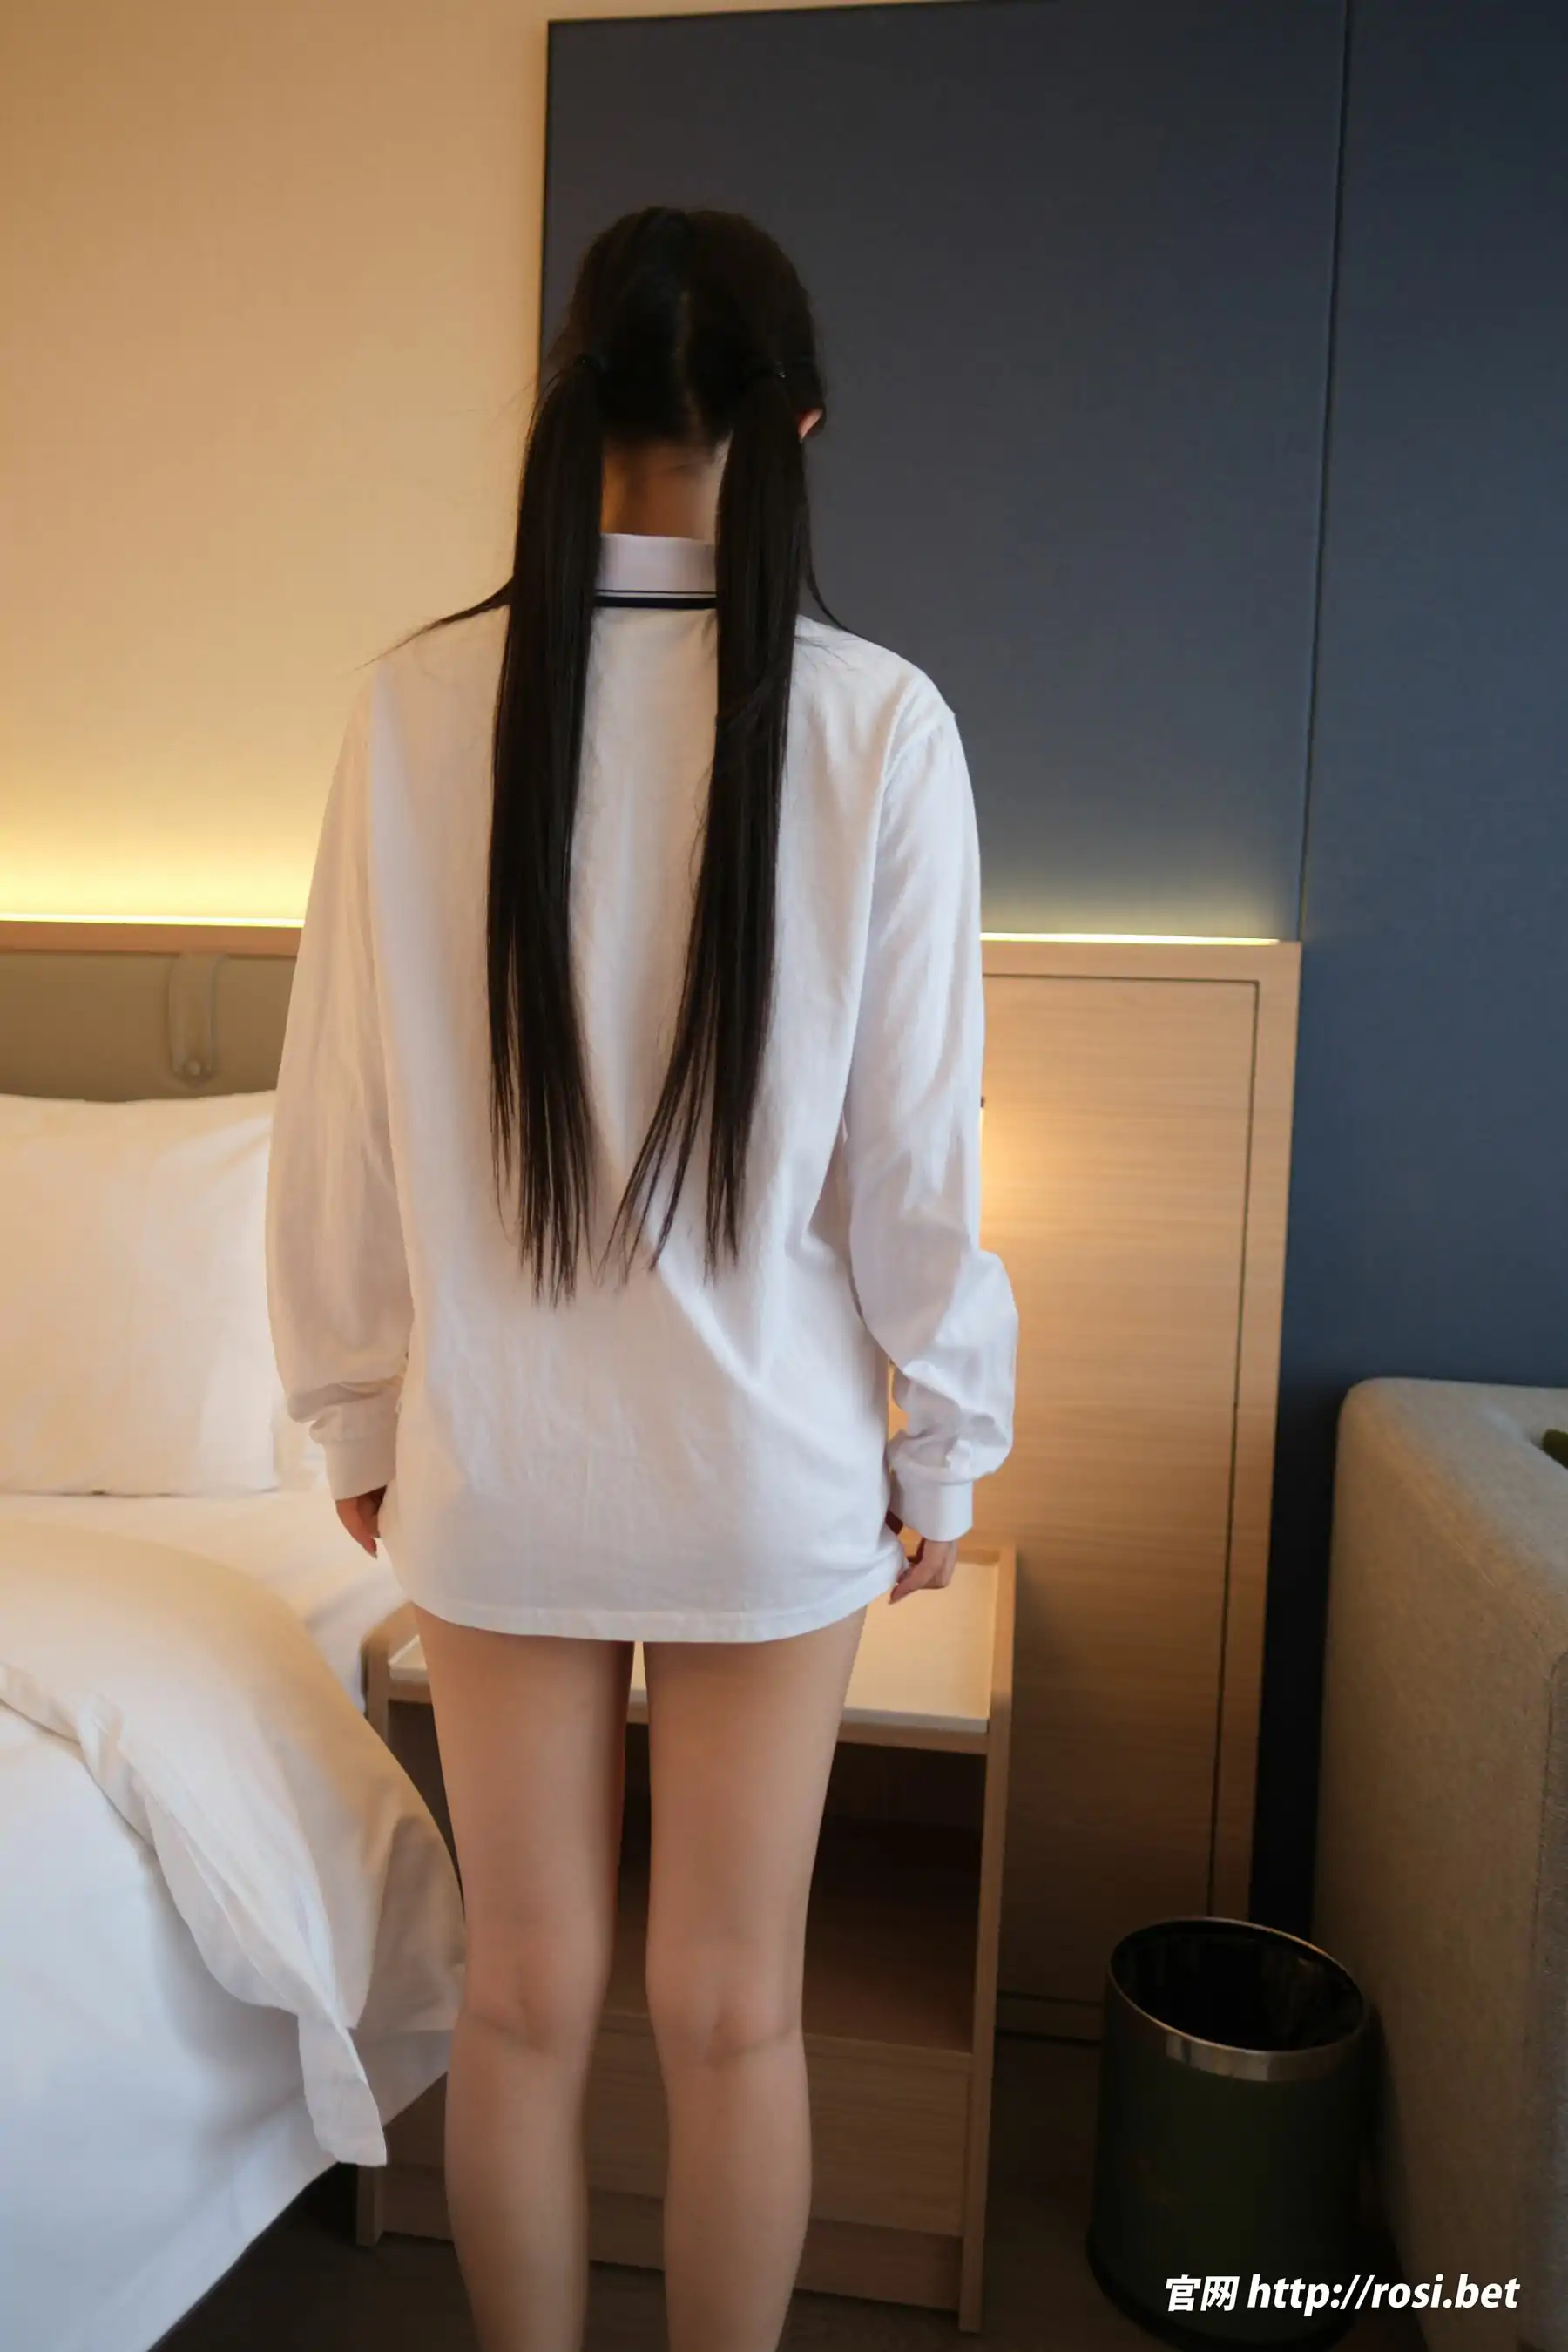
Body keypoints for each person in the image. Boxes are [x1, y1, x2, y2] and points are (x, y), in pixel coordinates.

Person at [265, 204, 1017, 2352]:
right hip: (767, 1481)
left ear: (573, 404)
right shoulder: (884, 727)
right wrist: (946, 1454)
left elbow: (341, 1110)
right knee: (733, 2011)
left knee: (520, 2004)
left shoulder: (412, 709)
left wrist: (352, 1406)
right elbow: (916, 1167)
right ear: (798, 425)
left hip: (500, 1472)